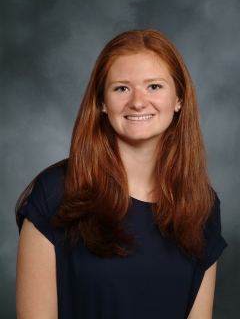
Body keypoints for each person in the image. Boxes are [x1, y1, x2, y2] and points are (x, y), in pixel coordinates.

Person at [16, 29, 227, 319]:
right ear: (102, 102)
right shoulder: (56, 192)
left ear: (179, 99)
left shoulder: (202, 205)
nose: (138, 102)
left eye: (154, 86)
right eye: (122, 88)